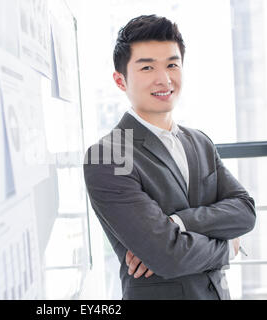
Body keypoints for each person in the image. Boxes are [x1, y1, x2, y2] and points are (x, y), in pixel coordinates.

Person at [83, 14, 256, 300]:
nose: (164, 79)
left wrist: (177, 223)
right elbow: (169, 256)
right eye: (147, 67)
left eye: (172, 65)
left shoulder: (199, 141)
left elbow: (245, 211)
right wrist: (229, 245)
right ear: (120, 80)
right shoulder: (108, 155)